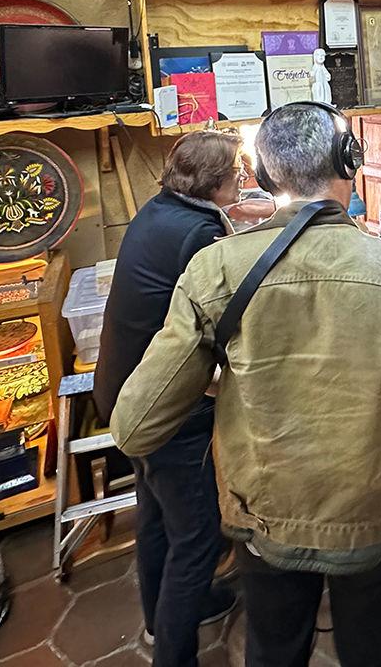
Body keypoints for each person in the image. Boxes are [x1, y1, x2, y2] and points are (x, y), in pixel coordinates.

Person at [111, 102, 381, 667]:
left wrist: (226, 386)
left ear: (265, 178)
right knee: (375, 650)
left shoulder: (215, 269)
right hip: (372, 510)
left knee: (275, 650)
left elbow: (135, 425)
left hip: (267, 513)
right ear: (350, 162)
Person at [93, 130, 244, 666]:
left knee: (155, 512)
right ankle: (175, 655)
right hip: (165, 404)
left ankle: (163, 619)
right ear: (215, 183)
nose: (242, 176)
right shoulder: (199, 233)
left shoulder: (159, 211)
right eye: (235, 171)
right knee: (198, 537)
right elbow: (216, 318)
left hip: (121, 391)